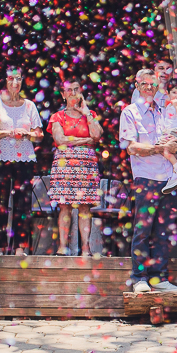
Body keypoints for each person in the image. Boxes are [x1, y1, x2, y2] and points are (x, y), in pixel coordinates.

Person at [119, 69, 177, 294]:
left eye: (152, 84)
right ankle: (139, 278)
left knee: (163, 231)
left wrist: (175, 144)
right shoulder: (130, 112)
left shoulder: (164, 111)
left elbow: (176, 136)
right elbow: (131, 147)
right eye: (144, 84)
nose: (149, 87)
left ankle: (160, 278)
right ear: (137, 86)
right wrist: (160, 148)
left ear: (158, 87)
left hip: (168, 178)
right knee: (143, 230)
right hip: (146, 177)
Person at [0, 67, 42, 255]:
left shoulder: (29, 105)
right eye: (11, 78)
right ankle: (0, 246)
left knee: (23, 204)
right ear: (5, 80)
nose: (15, 82)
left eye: (18, 79)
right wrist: (7, 132)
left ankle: (20, 247)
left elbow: (39, 134)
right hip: (1, 157)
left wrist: (27, 134)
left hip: (24, 159)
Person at [47, 80, 103, 256]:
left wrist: (86, 113)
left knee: (85, 207)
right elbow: (60, 140)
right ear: (63, 94)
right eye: (69, 90)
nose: (72, 93)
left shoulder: (90, 114)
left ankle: (85, 247)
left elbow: (97, 135)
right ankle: (63, 246)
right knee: (65, 206)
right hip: (65, 165)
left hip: (86, 166)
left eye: (76, 89)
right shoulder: (58, 116)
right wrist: (86, 140)